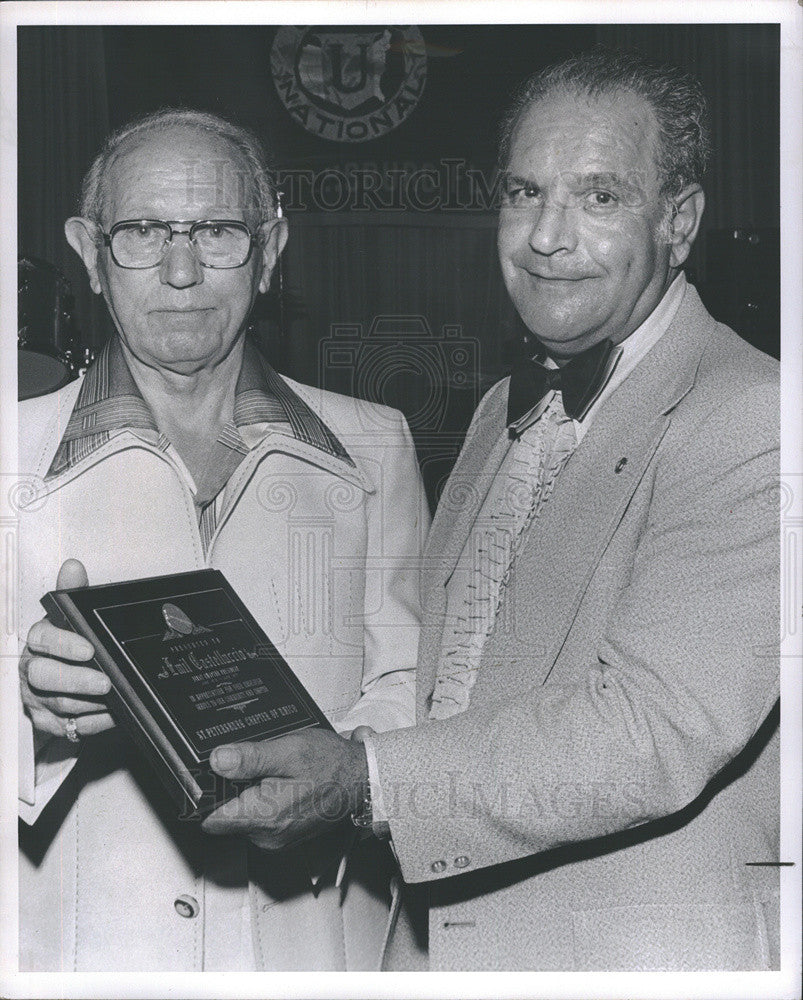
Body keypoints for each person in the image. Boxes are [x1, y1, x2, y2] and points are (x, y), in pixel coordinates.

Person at [199, 49, 781, 971]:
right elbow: (447, 684)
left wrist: (361, 781)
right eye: (523, 192)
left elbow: (649, 728)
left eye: (597, 198)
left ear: (678, 221)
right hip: (446, 941)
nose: (546, 237)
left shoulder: (754, 417)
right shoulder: (498, 409)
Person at [16, 108, 429, 971]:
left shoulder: (376, 444)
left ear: (271, 249)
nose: (179, 269)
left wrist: (345, 777)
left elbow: (408, 682)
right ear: (89, 253)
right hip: (82, 953)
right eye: (139, 231)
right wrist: (33, 714)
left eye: (217, 232)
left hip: (313, 945)